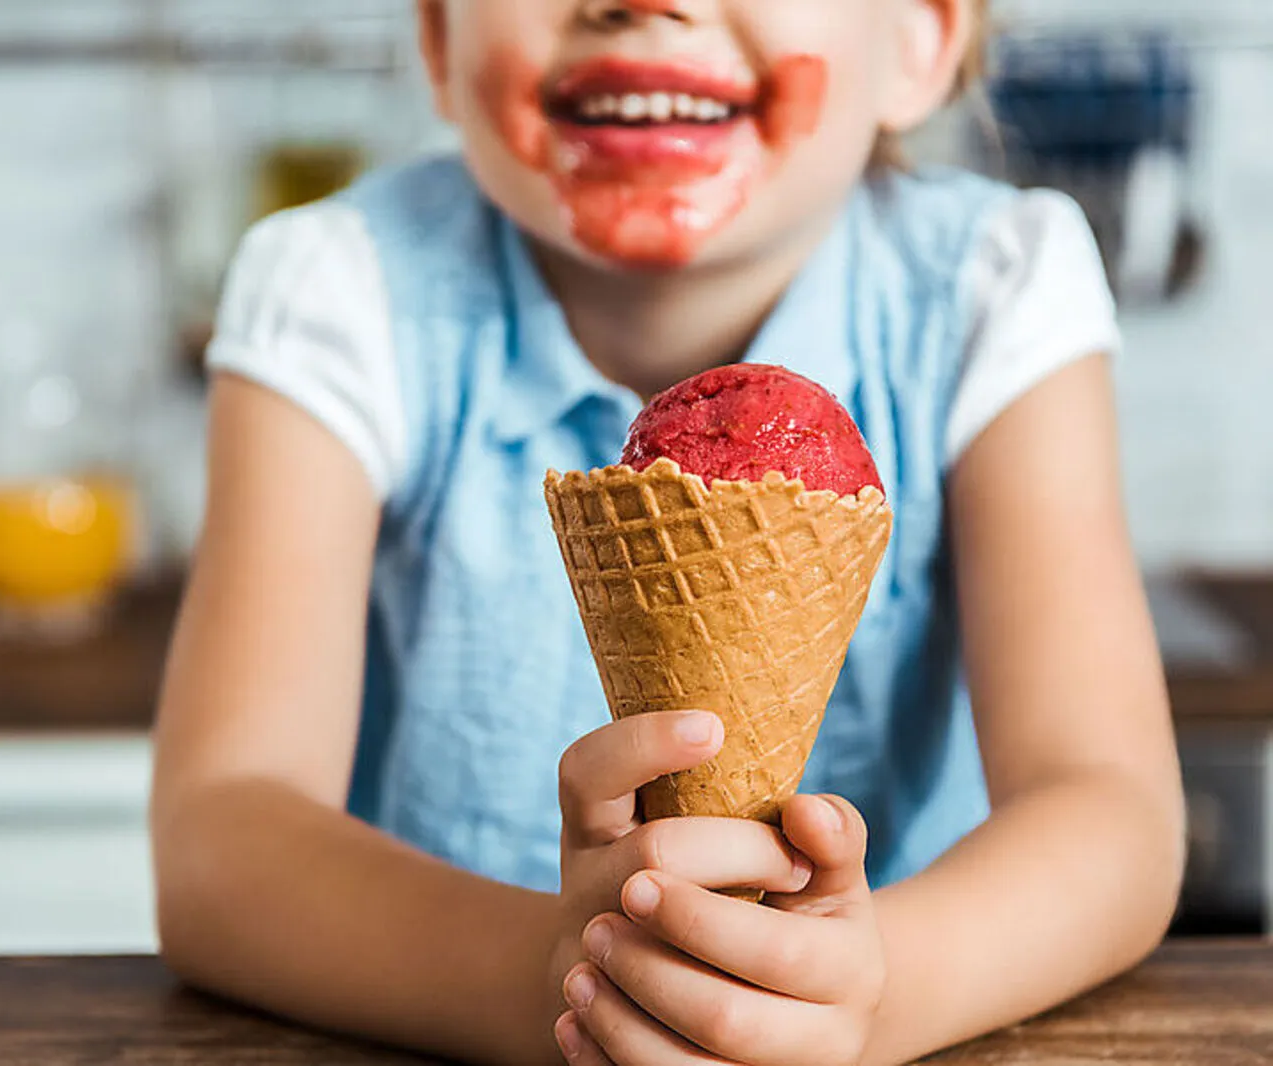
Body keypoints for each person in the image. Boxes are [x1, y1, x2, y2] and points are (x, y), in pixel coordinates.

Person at [150, 2, 1185, 1063]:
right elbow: (223, 842)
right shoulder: (343, 293)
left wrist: (864, 997)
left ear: (918, 42)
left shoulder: (991, 291)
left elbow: (1111, 814)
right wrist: (567, 977)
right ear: (438, 43)